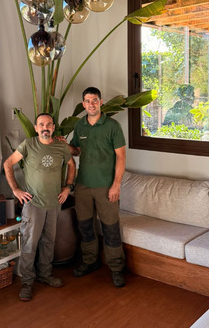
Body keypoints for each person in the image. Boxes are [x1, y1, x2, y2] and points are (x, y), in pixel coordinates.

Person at [3, 113, 76, 302]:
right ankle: (27, 282)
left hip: (54, 203)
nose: (45, 127)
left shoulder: (61, 146)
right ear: (36, 128)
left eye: (49, 124)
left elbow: (71, 164)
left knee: (49, 242)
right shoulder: (28, 145)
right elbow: (8, 163)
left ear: (53, 127)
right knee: (30, 243)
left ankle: (45, 274)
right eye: (41, 124)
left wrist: (68, 187)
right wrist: (16, 190)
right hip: (33, 204)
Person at [68, 87, 126, 288]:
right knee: (85, 226)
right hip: (83, 186)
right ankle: (90, 261)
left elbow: (121, 157)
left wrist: (116, 185)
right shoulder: (80, 125)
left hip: (106, 187)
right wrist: (63, 145)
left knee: (110, 228)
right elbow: (76, 150)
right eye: (87, 101)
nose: (91, 104)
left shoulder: (112, 126)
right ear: (83, 104)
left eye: (94, 100)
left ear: (101, 102)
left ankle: (116, 268)